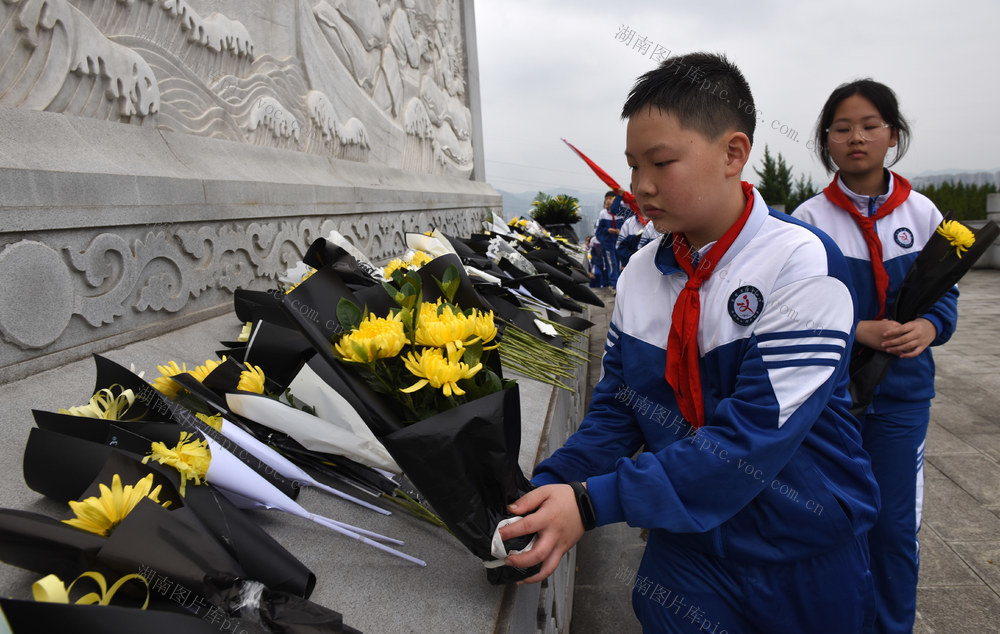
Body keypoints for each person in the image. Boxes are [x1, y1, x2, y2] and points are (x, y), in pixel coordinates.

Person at [499, 52, 879, 632]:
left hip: (800, 549)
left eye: (662, 162)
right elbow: (620, 408)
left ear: (734, 153)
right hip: (689, 552)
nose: (641, 187)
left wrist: (593, 502)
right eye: (632, 166)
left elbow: (750, 440)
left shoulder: (801, 263)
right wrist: (546, 487)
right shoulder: (640, 274)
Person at [793, 79, 958, 634]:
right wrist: (855, 328)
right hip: (832, 401)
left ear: (893, 134)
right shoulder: (809, 221)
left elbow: (947, 295)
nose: (855, 137)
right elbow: (794, 311)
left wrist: (928, 327)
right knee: (832, 520)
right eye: (841, 128)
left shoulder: (924, 213)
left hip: (901, 398)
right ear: (826, 141)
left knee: (892, 527)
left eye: (869, 126)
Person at [595, 191, 620, 287]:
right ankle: (614, 285)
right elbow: (598, 231)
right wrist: (607, 230)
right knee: (612, 264)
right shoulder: (603, 214)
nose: (608, 201)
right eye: (607, 199)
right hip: (608, 244)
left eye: (611, 198)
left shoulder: (621, 212)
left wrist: (620, 231)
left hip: (619, 243)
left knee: (619, 264)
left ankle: (620, 284)